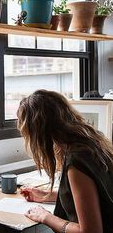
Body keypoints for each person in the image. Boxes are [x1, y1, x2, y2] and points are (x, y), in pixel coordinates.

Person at [16, 89, 113, 233]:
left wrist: (45, 217)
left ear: (40, 132)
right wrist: (47, 196)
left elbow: (91, 231)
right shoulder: (92, 144)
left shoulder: (76, 162)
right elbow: (96, 200)